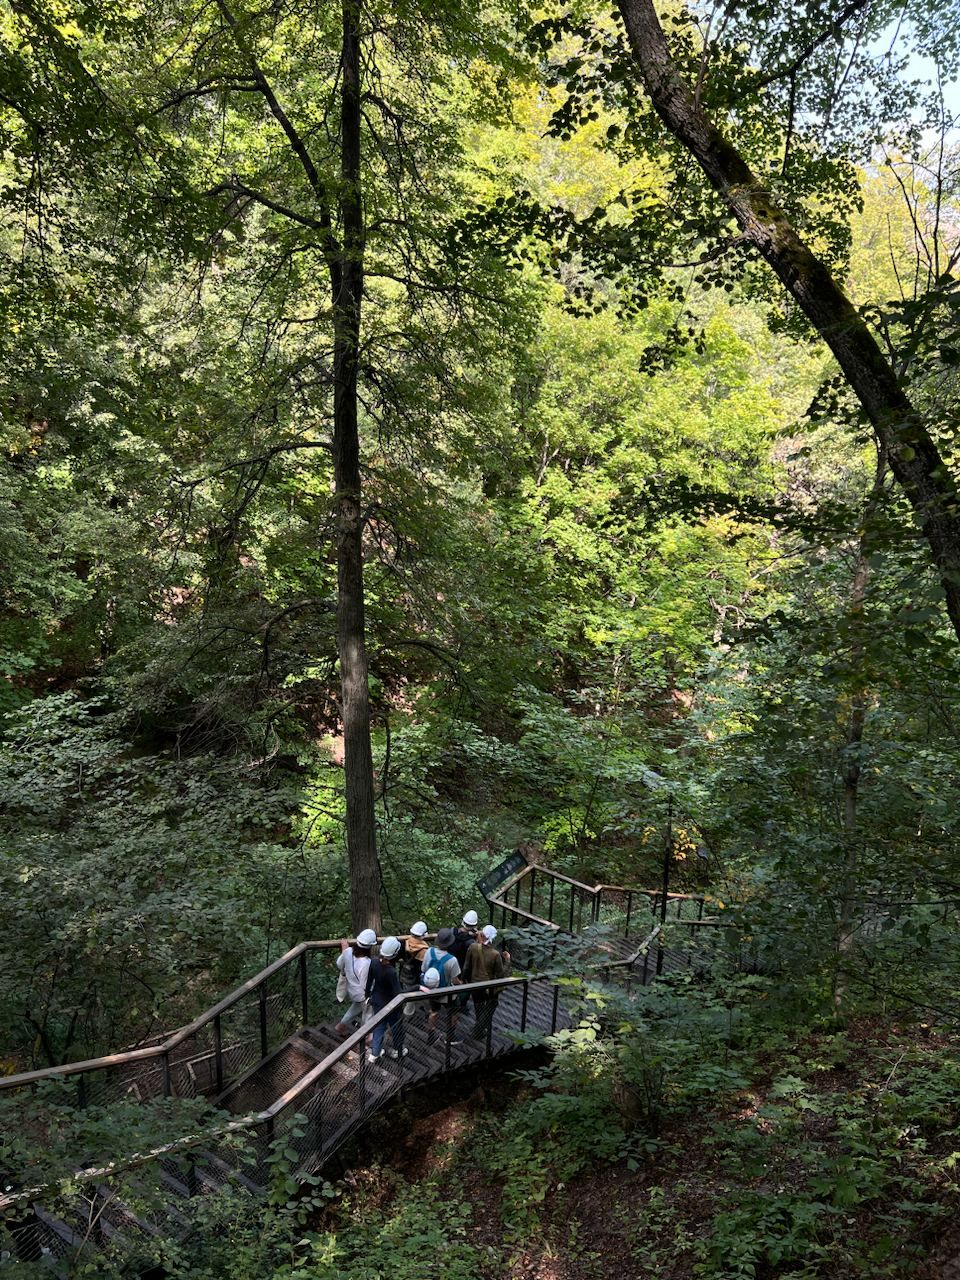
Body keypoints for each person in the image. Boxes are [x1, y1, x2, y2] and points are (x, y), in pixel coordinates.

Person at [462, 924, 510, 1042]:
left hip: (474, 984)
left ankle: (479, 1030)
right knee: (491, 1005)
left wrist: (465, 980)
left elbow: (466, 967)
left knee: (478, 1006)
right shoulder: (495, 954)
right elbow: (500, 974)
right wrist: (508, 961)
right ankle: (478, 1030)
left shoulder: (473, 947)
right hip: (489, 987)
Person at [365, 936, 406, 1063]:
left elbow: (369, 981)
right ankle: (398, 1050)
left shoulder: (373, 962)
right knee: (396, 1027)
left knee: (379, 1027)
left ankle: (375, 1053)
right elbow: (397, 992)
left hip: (377, 1000)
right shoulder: (391, 971)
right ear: (395, 954)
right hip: (391, 1004)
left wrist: (367, 995)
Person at [334, 928, 377, 1038]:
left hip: (351, 990)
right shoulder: (367, 963)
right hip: (362, 994)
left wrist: (344, 949)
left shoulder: (348, 951)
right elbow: (365, 984)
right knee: (368, 1015)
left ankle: (341, 1026)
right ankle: (366, 1038)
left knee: (356, 1007)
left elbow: (339, 964)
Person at [421, 926, 461, 1039]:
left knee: (434, 1011)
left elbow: (423, 969)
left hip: (431, 990)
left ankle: (431, 1035)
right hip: (447, 992)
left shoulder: (429, 951)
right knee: (454, 1011)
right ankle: (451, 1035)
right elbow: (455, 980)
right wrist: (461, 984)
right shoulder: (452, 960)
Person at [399, 921, 430, 1013]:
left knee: (409, 998)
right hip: (416, 979)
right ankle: (405, 1019)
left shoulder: (405, 943)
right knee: (410, 1002)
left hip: (404, 975)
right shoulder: (423, 950)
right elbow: (423, 967)